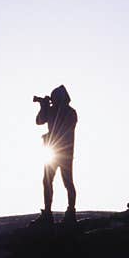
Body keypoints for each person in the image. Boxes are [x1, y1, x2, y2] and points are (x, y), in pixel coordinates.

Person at [31, 84, 77, 226]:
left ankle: (70, 212)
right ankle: (47, 213)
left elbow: (65, 128)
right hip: (53, 151)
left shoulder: (70, 112)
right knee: (47, 181)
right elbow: (39, 121)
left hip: (65, 153)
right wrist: (43, 106)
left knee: (67, 182)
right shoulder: (51, 111)